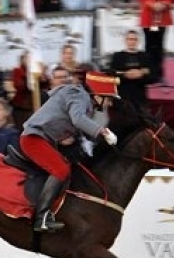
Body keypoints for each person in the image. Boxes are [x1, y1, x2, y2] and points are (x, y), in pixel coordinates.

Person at [21, 71, 120, 231]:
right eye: (108, 98)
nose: (110, 104)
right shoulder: (79, 96)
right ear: (97, 95)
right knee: (60, 169)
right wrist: (103, 131)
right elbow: (78, 119)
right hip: (33, 139)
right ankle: (41, 218)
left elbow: (72, 121)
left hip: (43, 139)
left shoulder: (84, 101)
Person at [109, 29, 154, 107]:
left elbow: (151, 77)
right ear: (125, 40)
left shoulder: (144, 56)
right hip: (122, 98)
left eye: (134, 39)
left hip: (139, 99)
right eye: (130, 39)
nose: (132, 42)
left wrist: (141, 75)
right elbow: (112, 75)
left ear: (138, 41)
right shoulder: (117, 56)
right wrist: (125, 75)